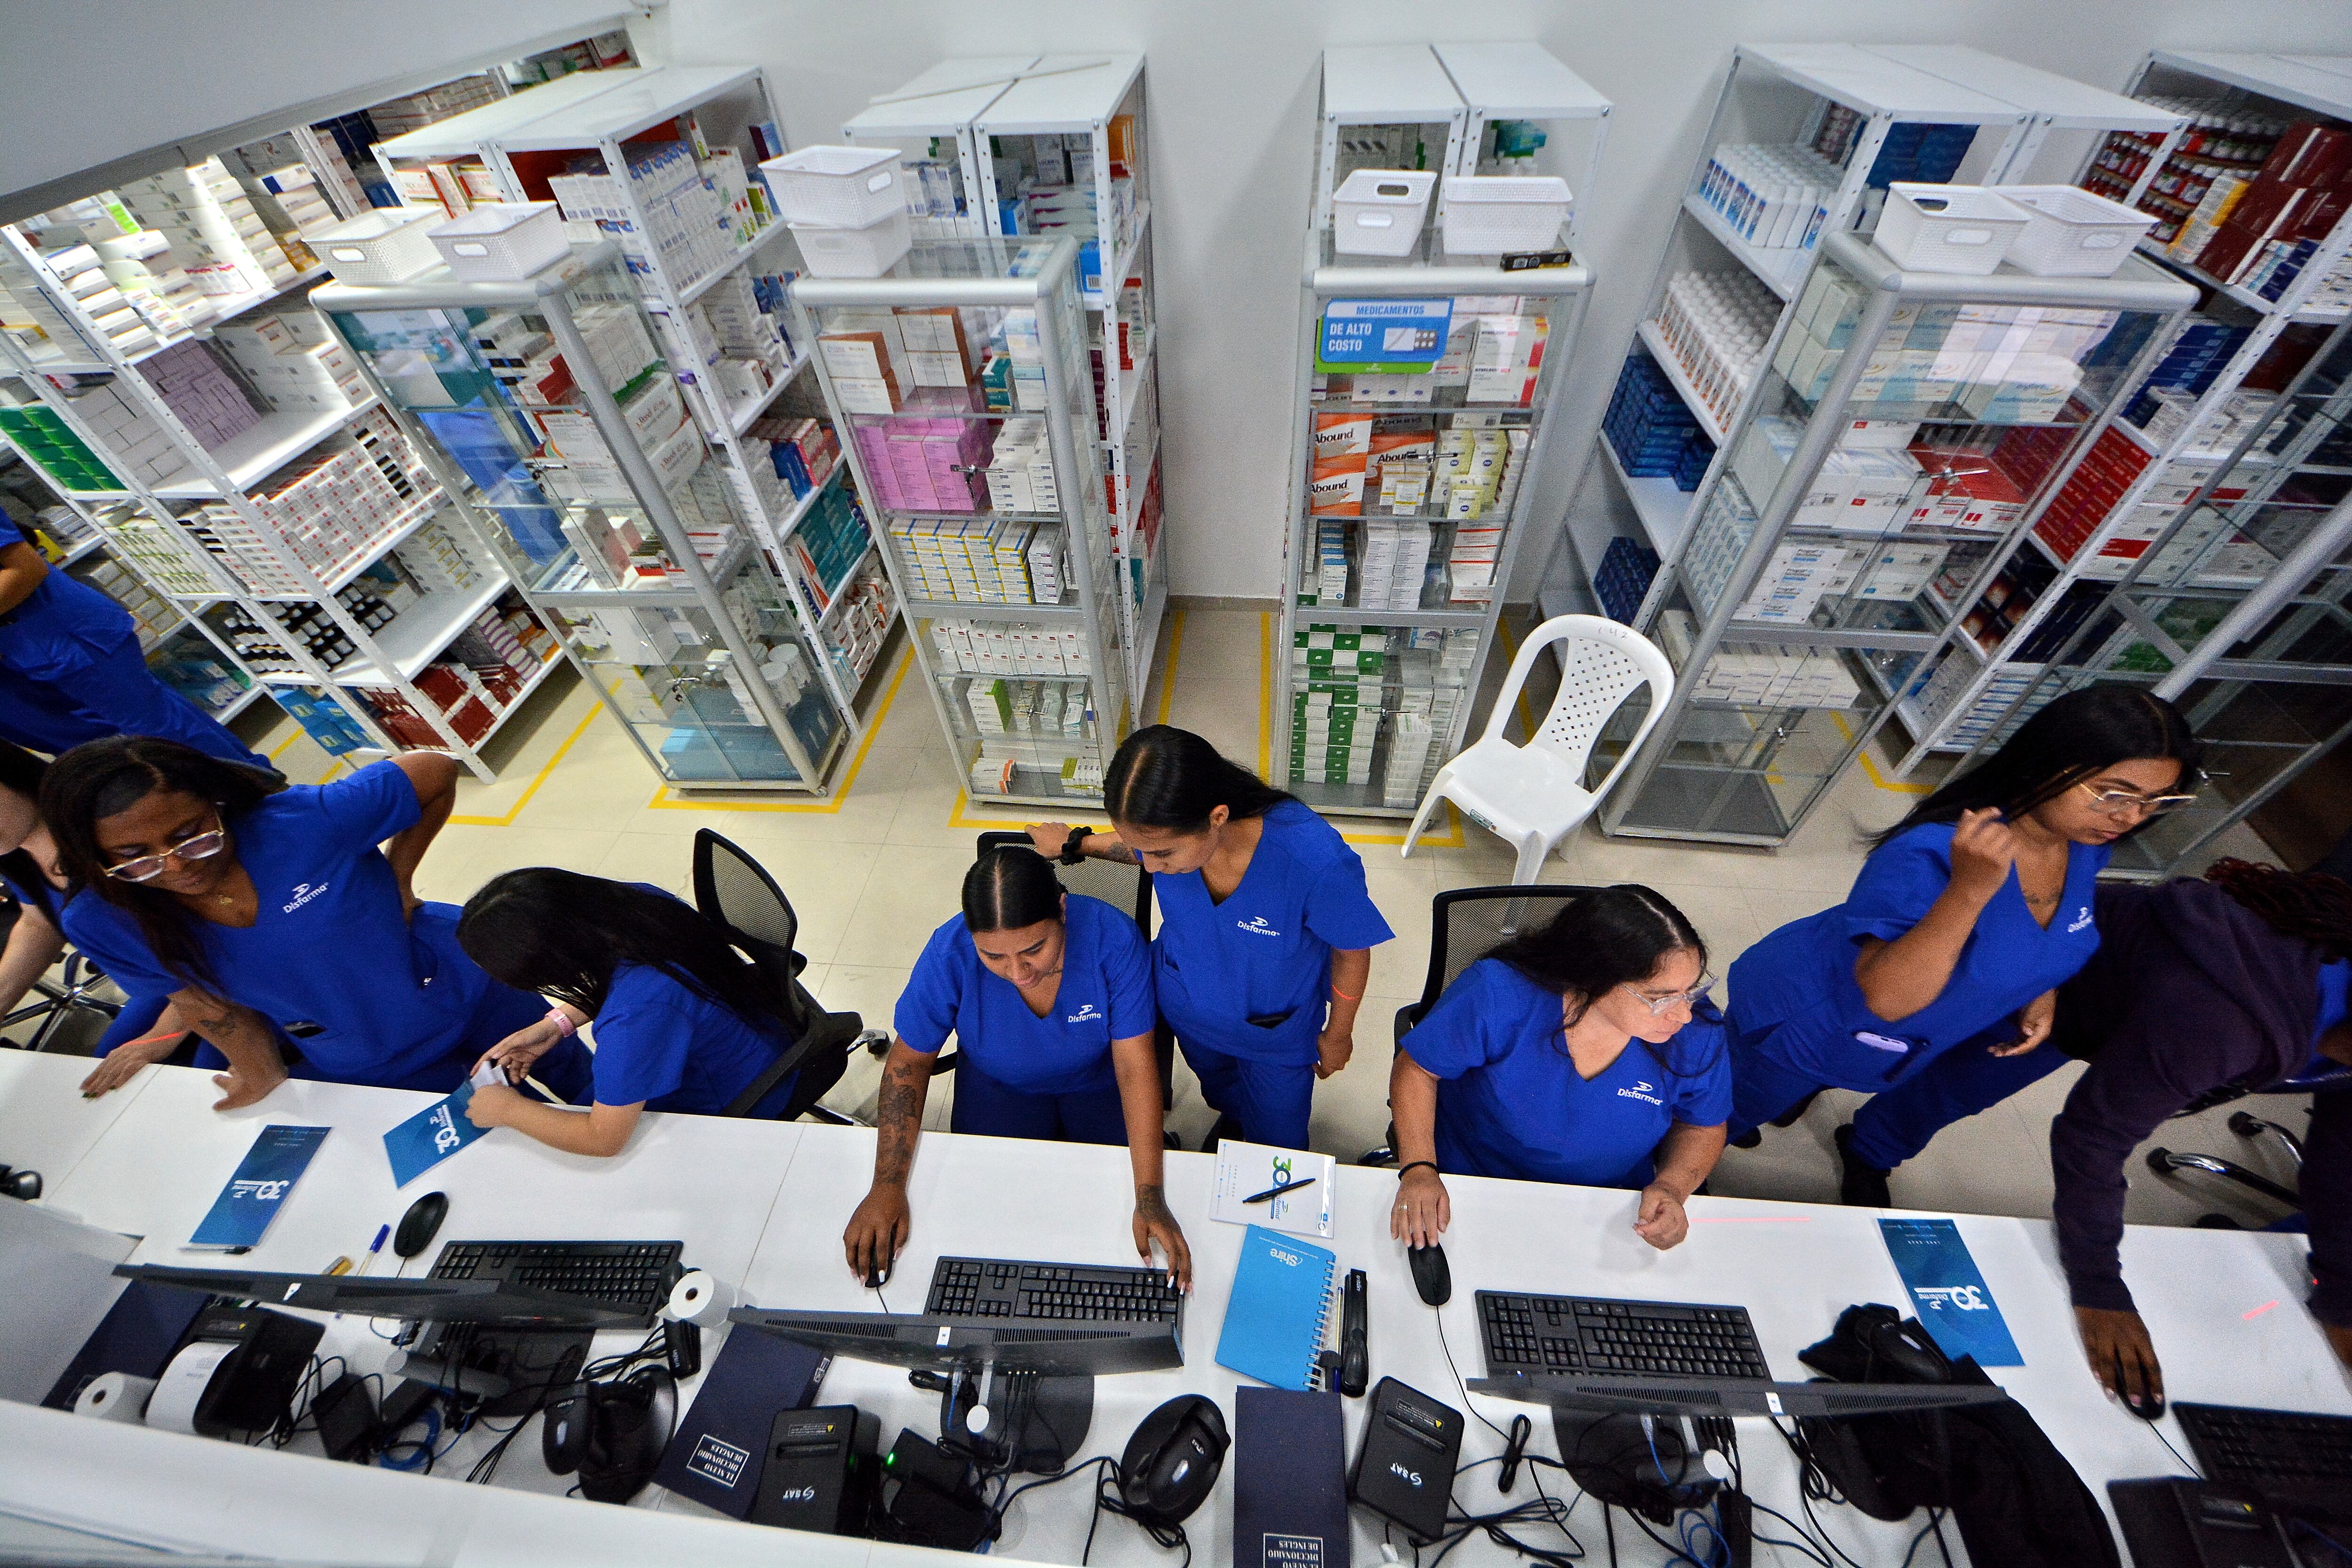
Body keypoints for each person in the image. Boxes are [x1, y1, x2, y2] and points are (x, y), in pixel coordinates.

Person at [1724, 687, 2201, 1205]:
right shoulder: (1932, 854)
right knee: (1717, 1115)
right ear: (2047, 763)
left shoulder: (2082, 848)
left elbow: (2049, 935)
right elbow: (1885, 999)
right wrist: (1969, 891)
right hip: (1810, 1023)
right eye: (2113, 793)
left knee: (1755, 1103)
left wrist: (2040, 992)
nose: (2130, 817)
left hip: (1889, 1049)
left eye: (2154, 801)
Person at [42, 736, 588, 1108]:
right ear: (92, 854)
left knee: (585, 1083)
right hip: (368, 1050)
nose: (179, 865)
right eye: (136, 855)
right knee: (513, 1133)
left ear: (218, 804)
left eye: (192, 833)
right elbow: (200, 1003)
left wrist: (399, 880)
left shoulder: (301, 824)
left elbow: (434, 771)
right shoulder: (102, 919)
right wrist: (260, 1071)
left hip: (468, 991)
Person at [2048, 860, 2352, 1410]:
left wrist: (2341, 1303)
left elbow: (2341, 1170)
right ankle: (1867, 1149)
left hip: (2124, 1025)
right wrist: (2098, 1289)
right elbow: (2090, 1136)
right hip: (2045, 984)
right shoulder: (2223, 1024)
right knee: (1937, 1088)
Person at [1031, 725, 1393, 1152]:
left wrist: (1339, 1034)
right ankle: (1237, 1119)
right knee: (1223, 1094)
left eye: (1164, 853)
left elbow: (1352, 951)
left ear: (1216, 817)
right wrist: (1077, 843)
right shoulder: (1164, 848)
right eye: (1141, 848)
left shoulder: (1313, 862)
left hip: (1273, 1035)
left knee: (1278, 1141)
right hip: (1190, 1009)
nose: (1149, 867)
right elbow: (1138, 847)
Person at [842, 846, 1191, 1289]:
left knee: (1107, 1207)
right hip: (998, 1087)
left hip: (1098, 1082)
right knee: (998, 1211)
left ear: (1062, 910)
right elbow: (909, 1062)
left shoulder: (1114, 941)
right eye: (994, 957)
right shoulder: (949, 951)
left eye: (1034, 949)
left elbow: (1135, 1069)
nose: (1018, 972)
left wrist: (1151, 1196)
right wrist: (886, 1186)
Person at [1389, 886, 1731, 1253]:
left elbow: (1702, 1122)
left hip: (1610, 1207)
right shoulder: (1500, 994)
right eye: (1659, 998)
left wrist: (1672, 1187)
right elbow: (1418, 1070)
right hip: (1474, 1183)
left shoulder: (1695, 1032)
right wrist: (1420, 1169)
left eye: (1692, 990)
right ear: (1591, 978)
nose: (1684, 1014)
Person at [453, 869, 803, 1157]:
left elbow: (603, 1139)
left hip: (746, 1092)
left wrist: (508, 1110)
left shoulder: (634, 1018)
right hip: (755, 1031)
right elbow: (630, 978)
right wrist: (556, 1024)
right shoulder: (633, 905)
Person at [0, 737, 199, 1090]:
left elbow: (220, 944)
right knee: (101, 1077)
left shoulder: (109, 838)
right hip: (166, 983)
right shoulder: (21, 854)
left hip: (220, 980)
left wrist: (161, 1037)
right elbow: (39, 921)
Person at [0, 514, 270, 770]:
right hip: (26, 654)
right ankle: (248, 787)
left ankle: (256, 798)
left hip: (61, 638)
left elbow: (26, 569)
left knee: (160, 733)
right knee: (115, 743)